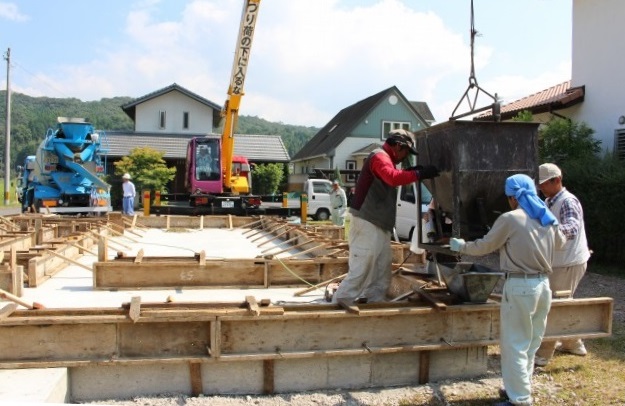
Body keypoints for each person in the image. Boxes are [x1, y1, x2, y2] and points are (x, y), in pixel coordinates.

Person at [449, 174, 565, 406]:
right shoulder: (546, 217)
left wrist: (462, 246)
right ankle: (520, 388)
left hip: (521, 286)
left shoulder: (510, 219)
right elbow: (561, 243)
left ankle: (519, 400)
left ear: (512, 198)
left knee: (514, 345)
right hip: (544, 286)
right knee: (531, 342)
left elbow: (486, 245)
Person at [332, 129, 439, 304]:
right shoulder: (379, 156)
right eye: (406, 152)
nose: (405, 157)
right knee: (360, 272)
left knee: (381, 274)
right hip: (366, 222)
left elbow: (391, 175)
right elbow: (391, 178)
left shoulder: (387, 160)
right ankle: (337, 309)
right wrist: (419, 174)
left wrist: (412, 171)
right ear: (398, 146)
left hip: (378, 224)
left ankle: (375, 305)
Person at [534, 163, 591, 366]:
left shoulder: (567, 201)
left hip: (568, 262)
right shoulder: (549, 200)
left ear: (556, 180)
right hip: (560, 261)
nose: (540, 188)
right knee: (562, 302)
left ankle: (543, 353)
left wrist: (545, 235)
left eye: (543, 184)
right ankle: (573, 344)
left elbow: (571, 228)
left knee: (552, 307)